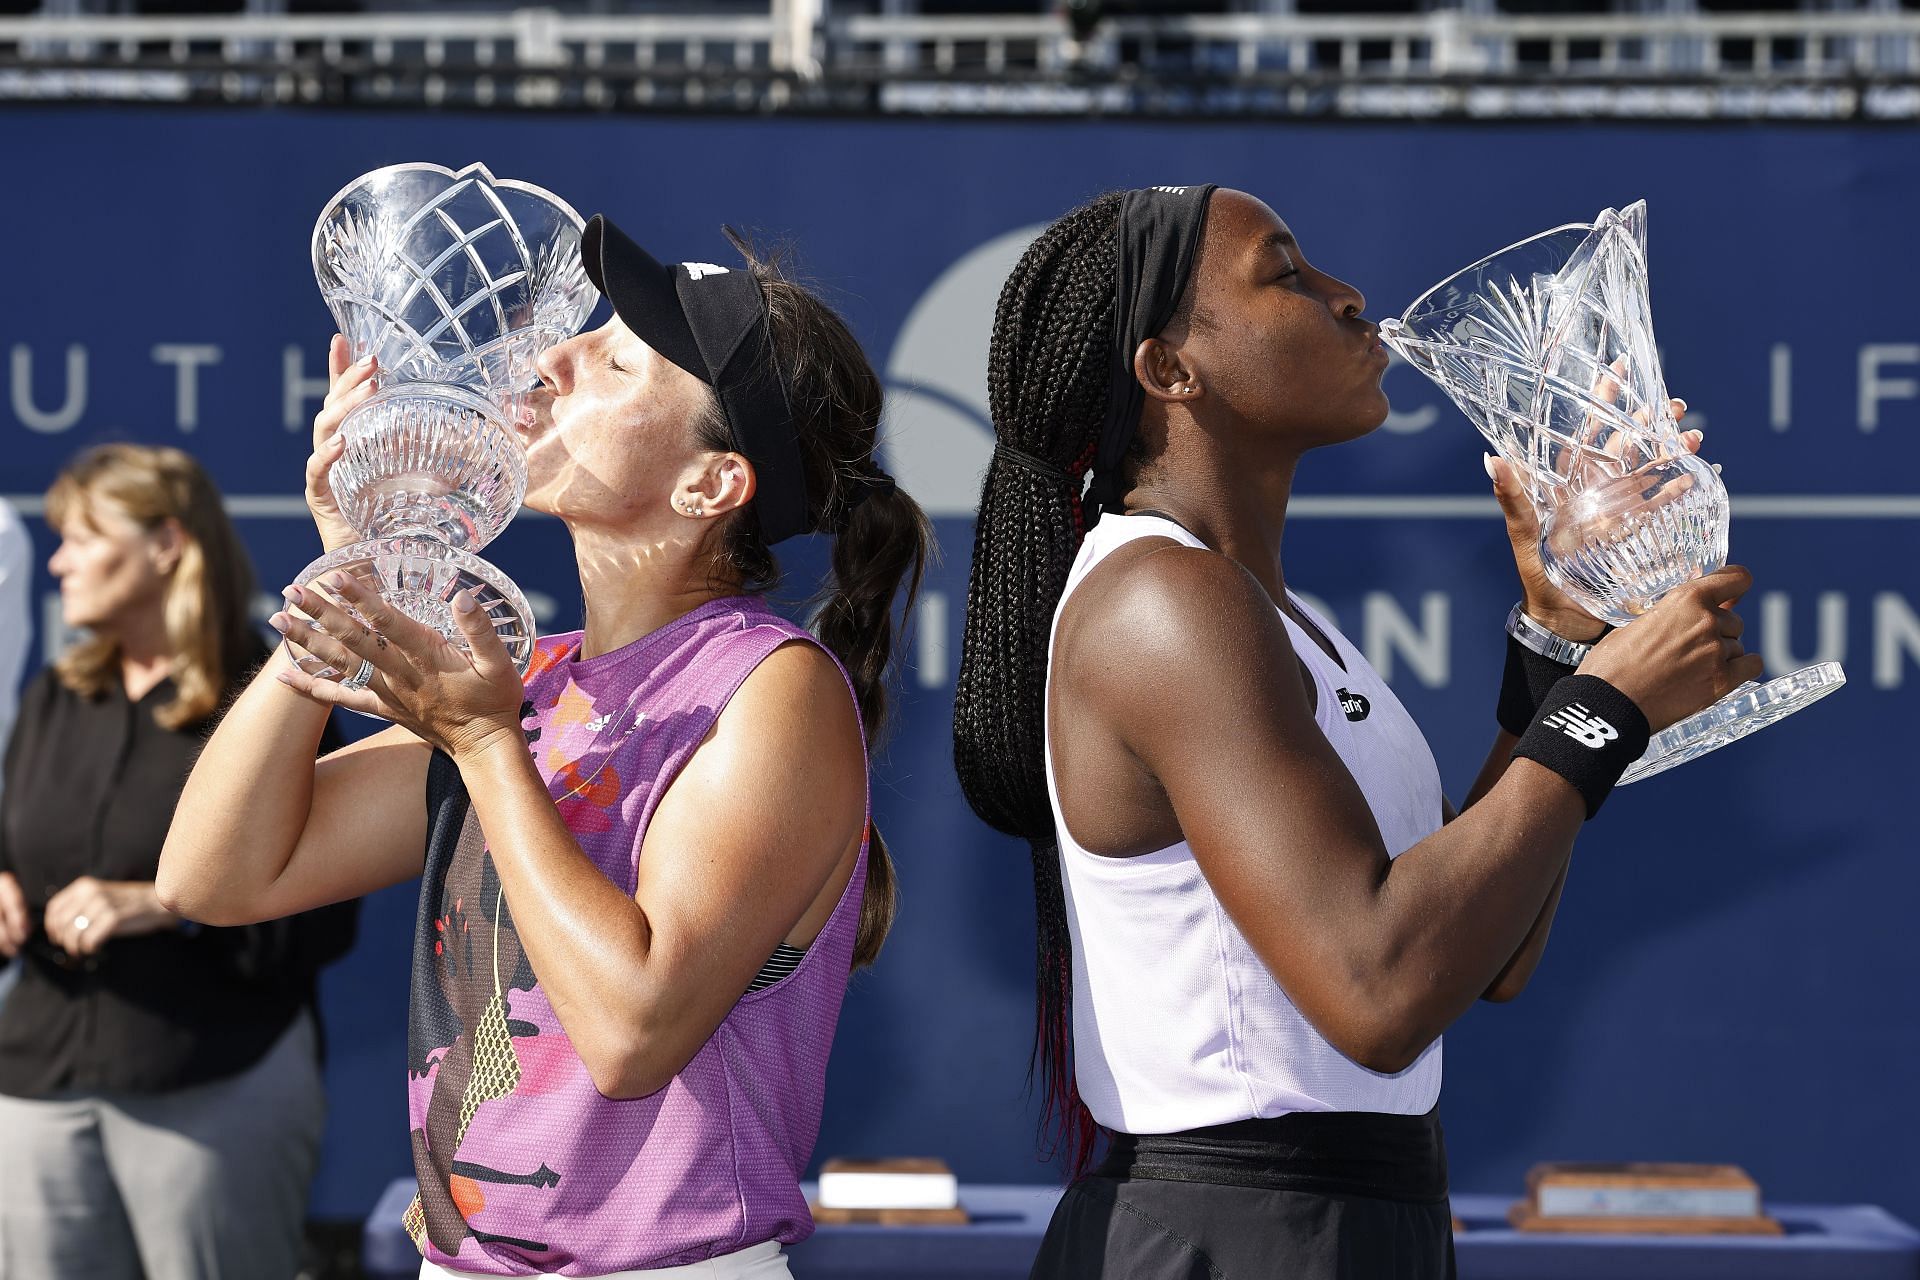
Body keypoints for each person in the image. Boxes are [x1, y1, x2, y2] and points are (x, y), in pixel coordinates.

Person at [951, 185, 1761, 1278]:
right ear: (1168, 369)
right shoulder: (1166, 605)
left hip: (1342, 1226)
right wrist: (1605, 710)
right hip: (1241, 1238)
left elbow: (1482, 954)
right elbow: (1376, 992)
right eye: (1286, 275)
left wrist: (1560, 646)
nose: (1349, 297)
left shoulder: (1272, 614)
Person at [160, 215, 931, 1279]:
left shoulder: (773, 687)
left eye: (615, 358)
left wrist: (482, 741)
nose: (548, 358)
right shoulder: (532, 680)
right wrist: (349, 583)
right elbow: (217, 874)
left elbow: (631, 1030)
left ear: (711, 485)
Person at [0, 443, 358, 1280]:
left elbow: (321, 915)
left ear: (166, 544)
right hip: (35, 1084)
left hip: (211, 1080)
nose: (57, 560)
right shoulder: (59, 694)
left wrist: (165, 902)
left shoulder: (268, 702)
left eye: (82, 537)